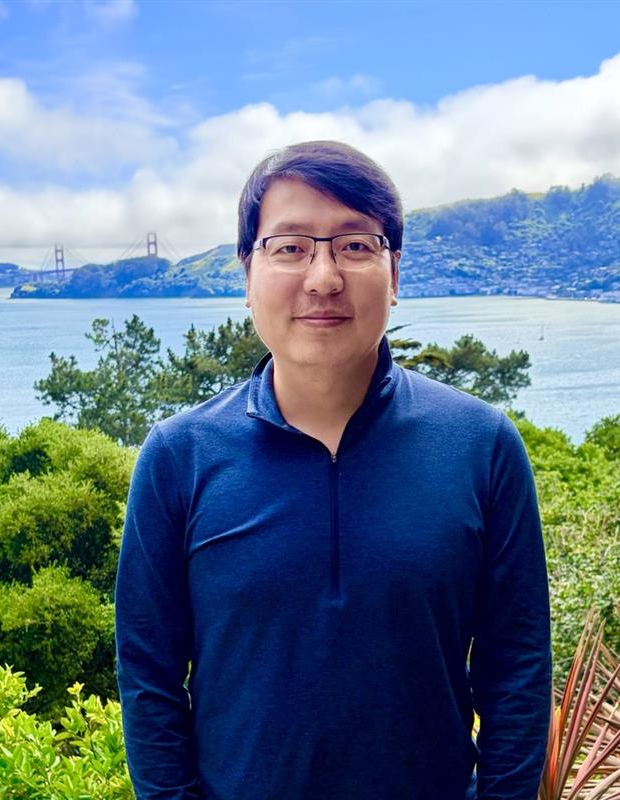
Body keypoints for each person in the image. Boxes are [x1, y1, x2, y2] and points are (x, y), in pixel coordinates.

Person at [115, 140, 552, 800]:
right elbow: (148, 676)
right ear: (247, 274)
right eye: (290, 247)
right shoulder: (179, 456)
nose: (322, 277)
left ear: (394, 273)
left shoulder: (481, 445)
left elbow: (516, 670)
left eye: (354, 245)